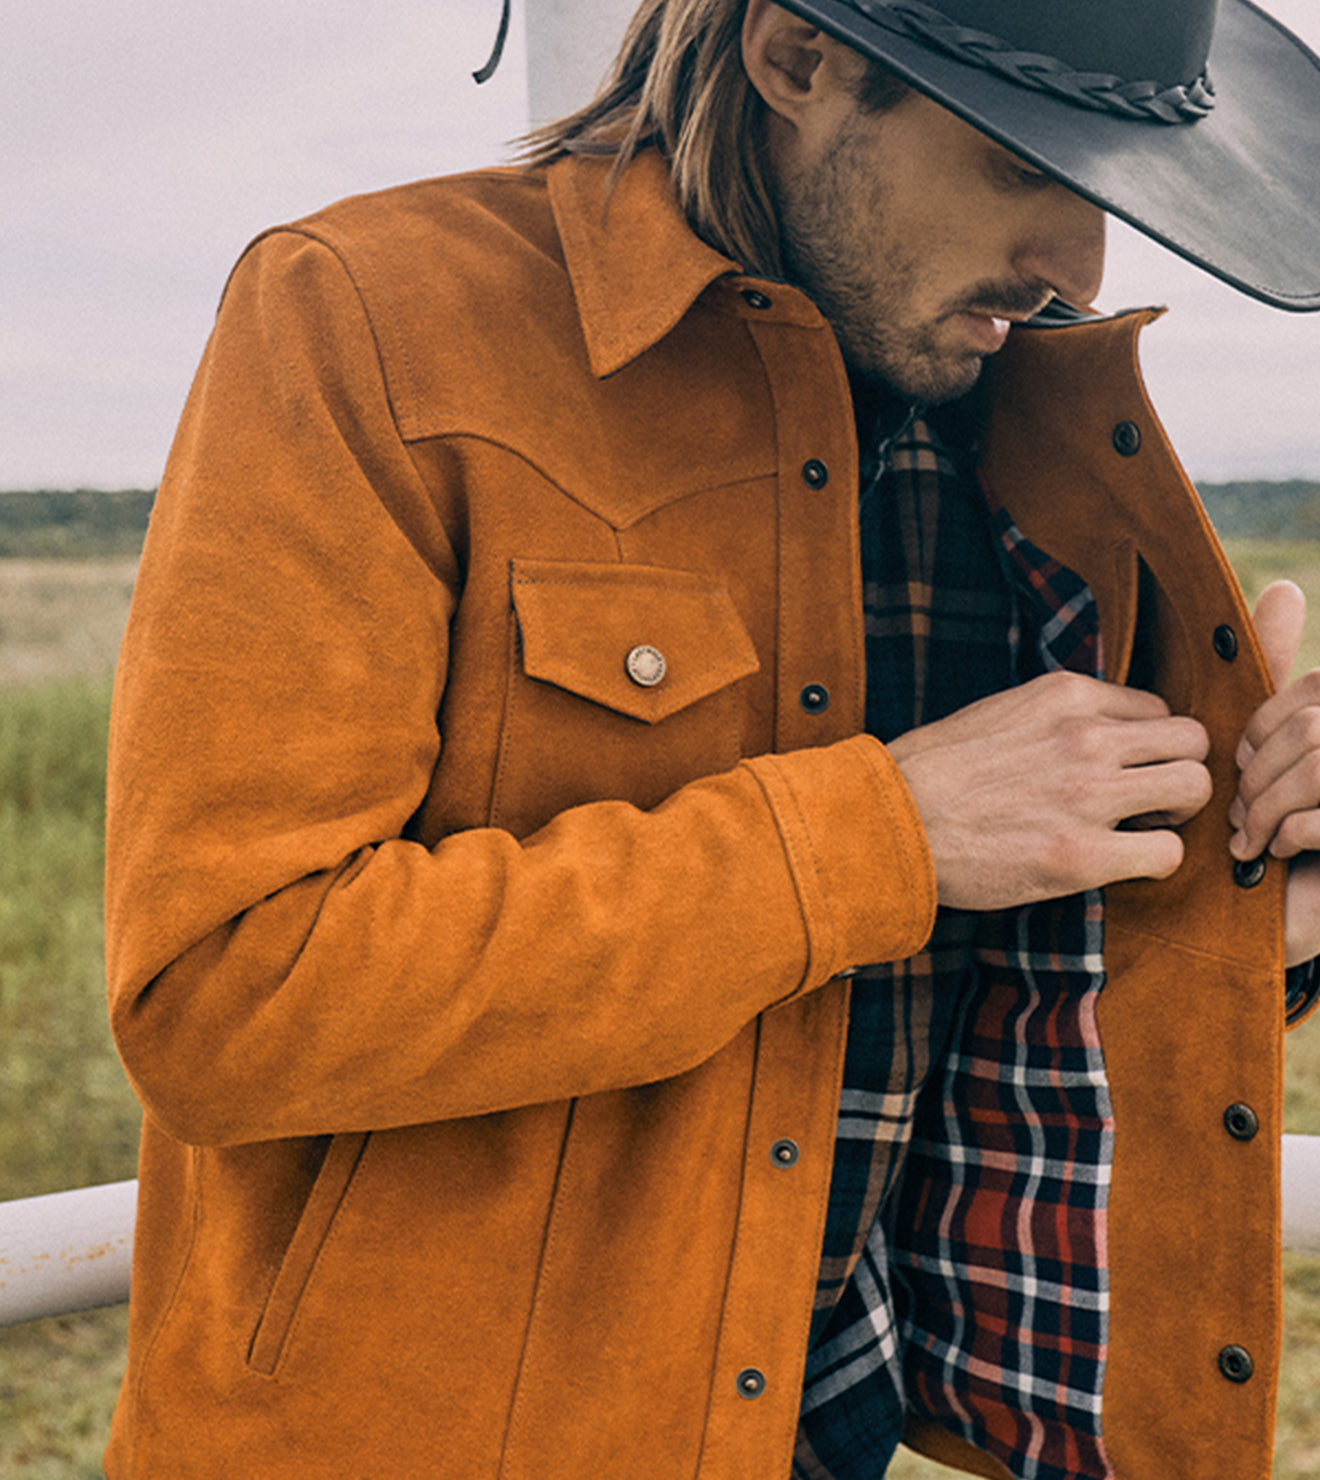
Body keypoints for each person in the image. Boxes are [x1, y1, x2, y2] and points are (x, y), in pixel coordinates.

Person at [103, 2, 1320, 1477]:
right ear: (796, 59)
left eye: (1116, 191)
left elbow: (1003, 988)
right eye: (1023, 161)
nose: (1079, 267)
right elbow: (226, 999)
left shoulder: (1017, 399)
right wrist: (884, 834)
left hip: (821, 1434)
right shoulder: (367, 314)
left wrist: (1266, 898)